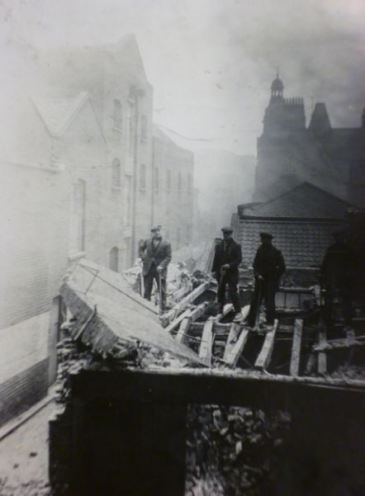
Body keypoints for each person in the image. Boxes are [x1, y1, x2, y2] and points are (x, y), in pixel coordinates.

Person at [247, 232, 285, 328]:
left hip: (270, 282)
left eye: (264, 239)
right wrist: (258, 275)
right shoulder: (259, 250)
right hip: (260, 281)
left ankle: (270, 322)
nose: (262, 241)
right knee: (255, 301)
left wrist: (274, 277)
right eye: (262, 239)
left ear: (269, 240)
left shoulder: (276, 252)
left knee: (269, 302)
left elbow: (282, 268)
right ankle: (251, 322)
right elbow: (255, 265)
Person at [320, 230, 353, 329]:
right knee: (331, 301)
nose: (339, 239)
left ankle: (347, 322)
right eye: (337, 238)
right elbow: (325, 266)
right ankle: (329, 322)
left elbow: (353, 266)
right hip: (335, 280)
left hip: (342, 280)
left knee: (345, 301)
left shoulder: (346, 250)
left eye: (340, 237)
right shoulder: (335, 249)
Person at [212, 226, 242, 322]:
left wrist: (229, 265)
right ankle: (220, 312)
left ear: (230, 234)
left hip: (232, 273)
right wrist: (214, 271)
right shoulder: (219, 246)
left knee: (233, 292)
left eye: (228, 234)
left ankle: (238, 312)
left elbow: (239, 260)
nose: (226, 236)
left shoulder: (236, 246)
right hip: (221, 273)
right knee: (220, 292)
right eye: (224, 234)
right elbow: (216, 260)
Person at [138, 226, 171, 311]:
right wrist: (143, 257)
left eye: (157, 231)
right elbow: (141, 249)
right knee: (147, 289)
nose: (156, 233)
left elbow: (168, 257)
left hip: (159, 270)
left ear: (160, 232)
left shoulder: (166, 243)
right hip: (148, 268)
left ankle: (163, 309)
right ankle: (146, 308)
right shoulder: (147, 241)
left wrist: (162, 266)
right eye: (154, 232)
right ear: (151, 233)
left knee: (162, 290)